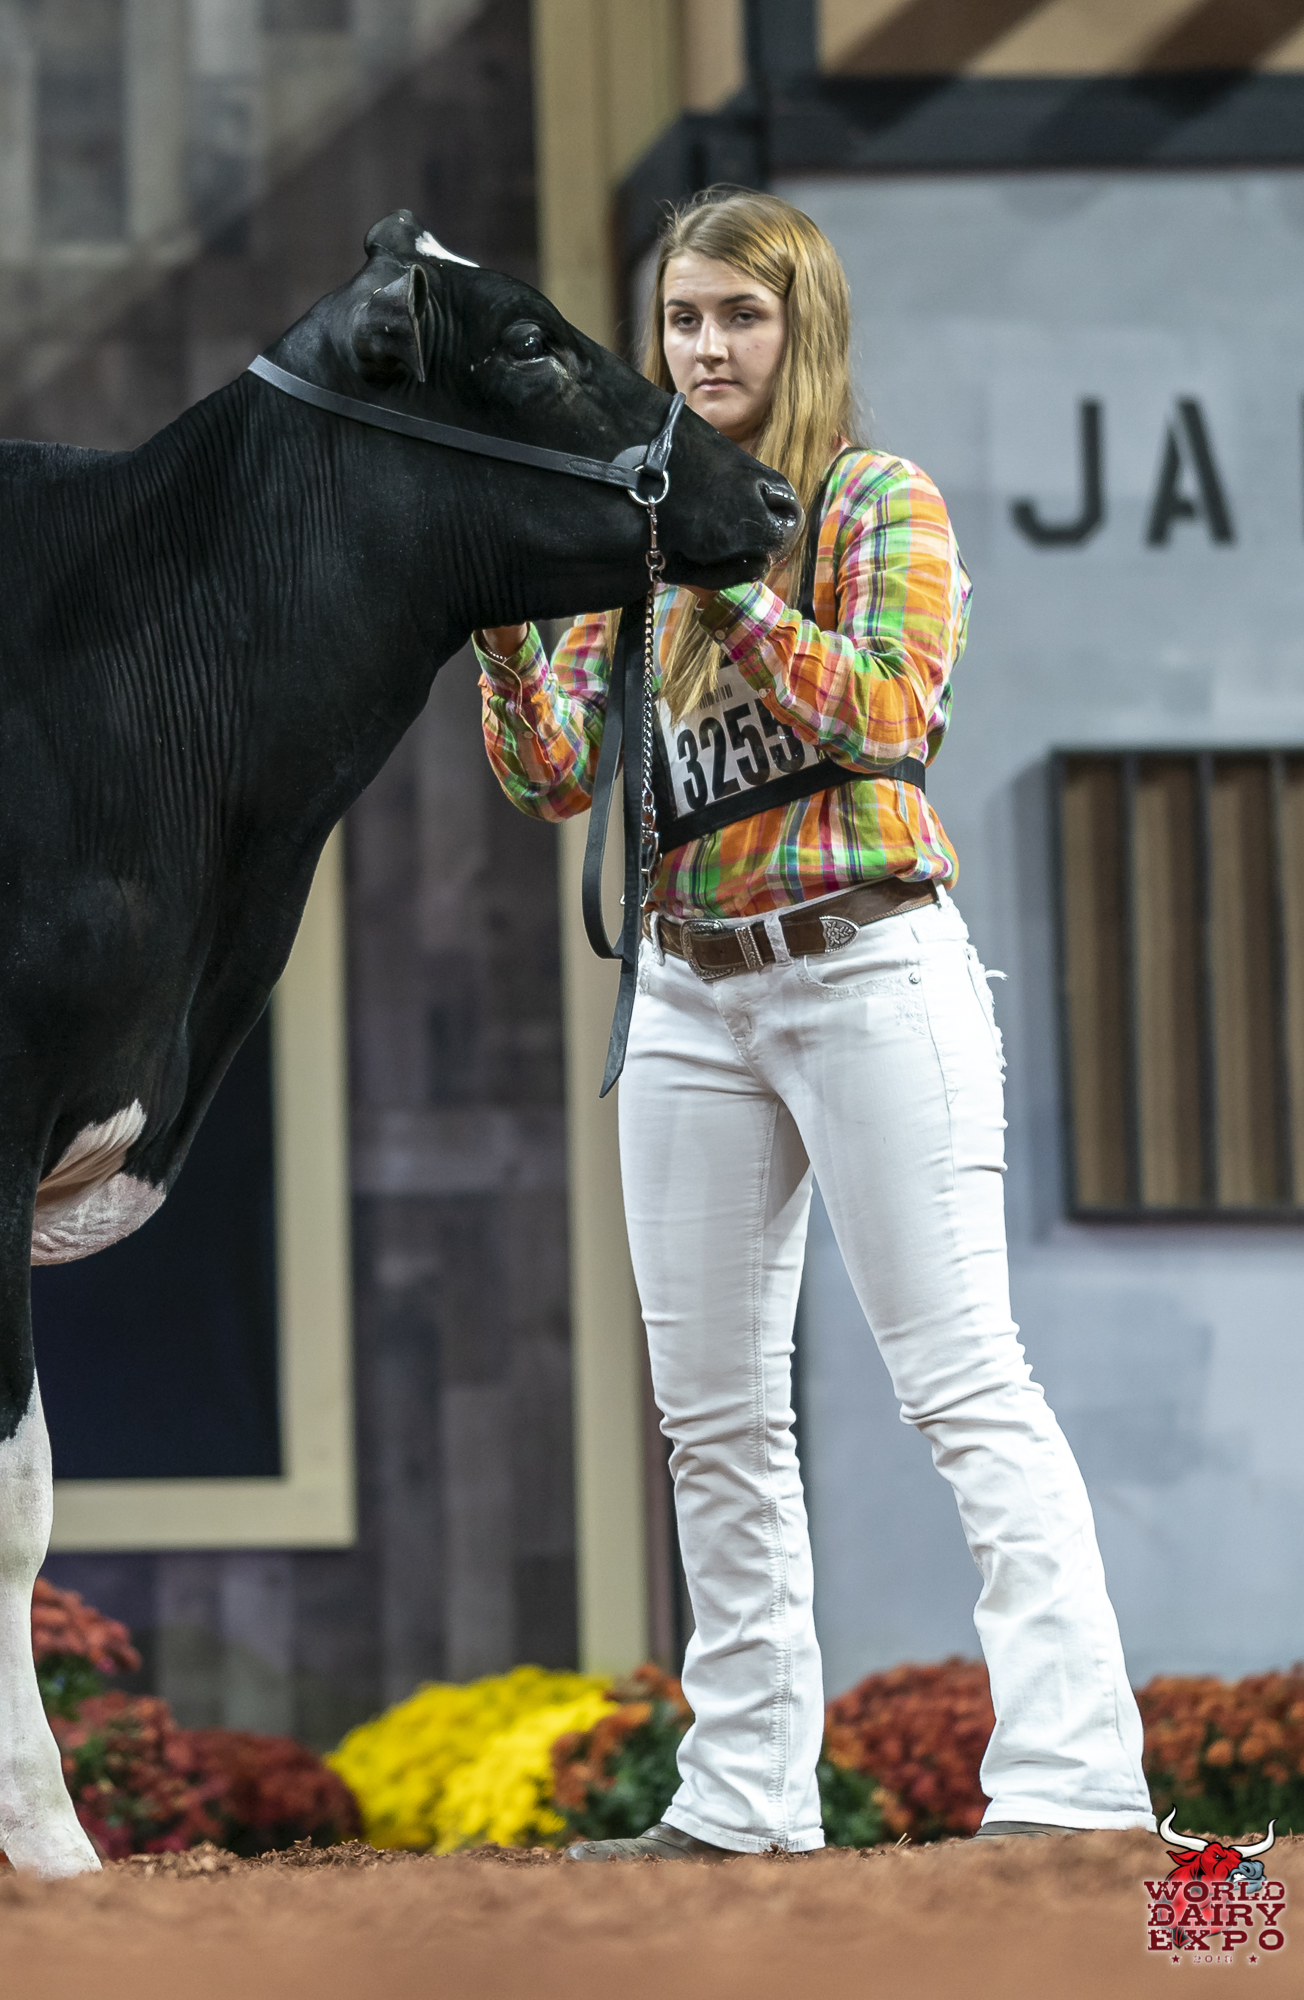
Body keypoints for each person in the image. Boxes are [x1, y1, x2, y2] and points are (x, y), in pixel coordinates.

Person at [473, 187, 1154, 1858]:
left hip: (866, 963)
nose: (706, 347)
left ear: (805, 327)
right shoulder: (629, 539)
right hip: (690, 989)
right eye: (683, 319)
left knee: (961, 1382)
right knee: (711, 1419)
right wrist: (500, 617)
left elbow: (893, 708)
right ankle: (744, 1800)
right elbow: (552, 775)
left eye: (740, 316)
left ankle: (1075, 1784)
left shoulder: (871, 498)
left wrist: (732, 591)